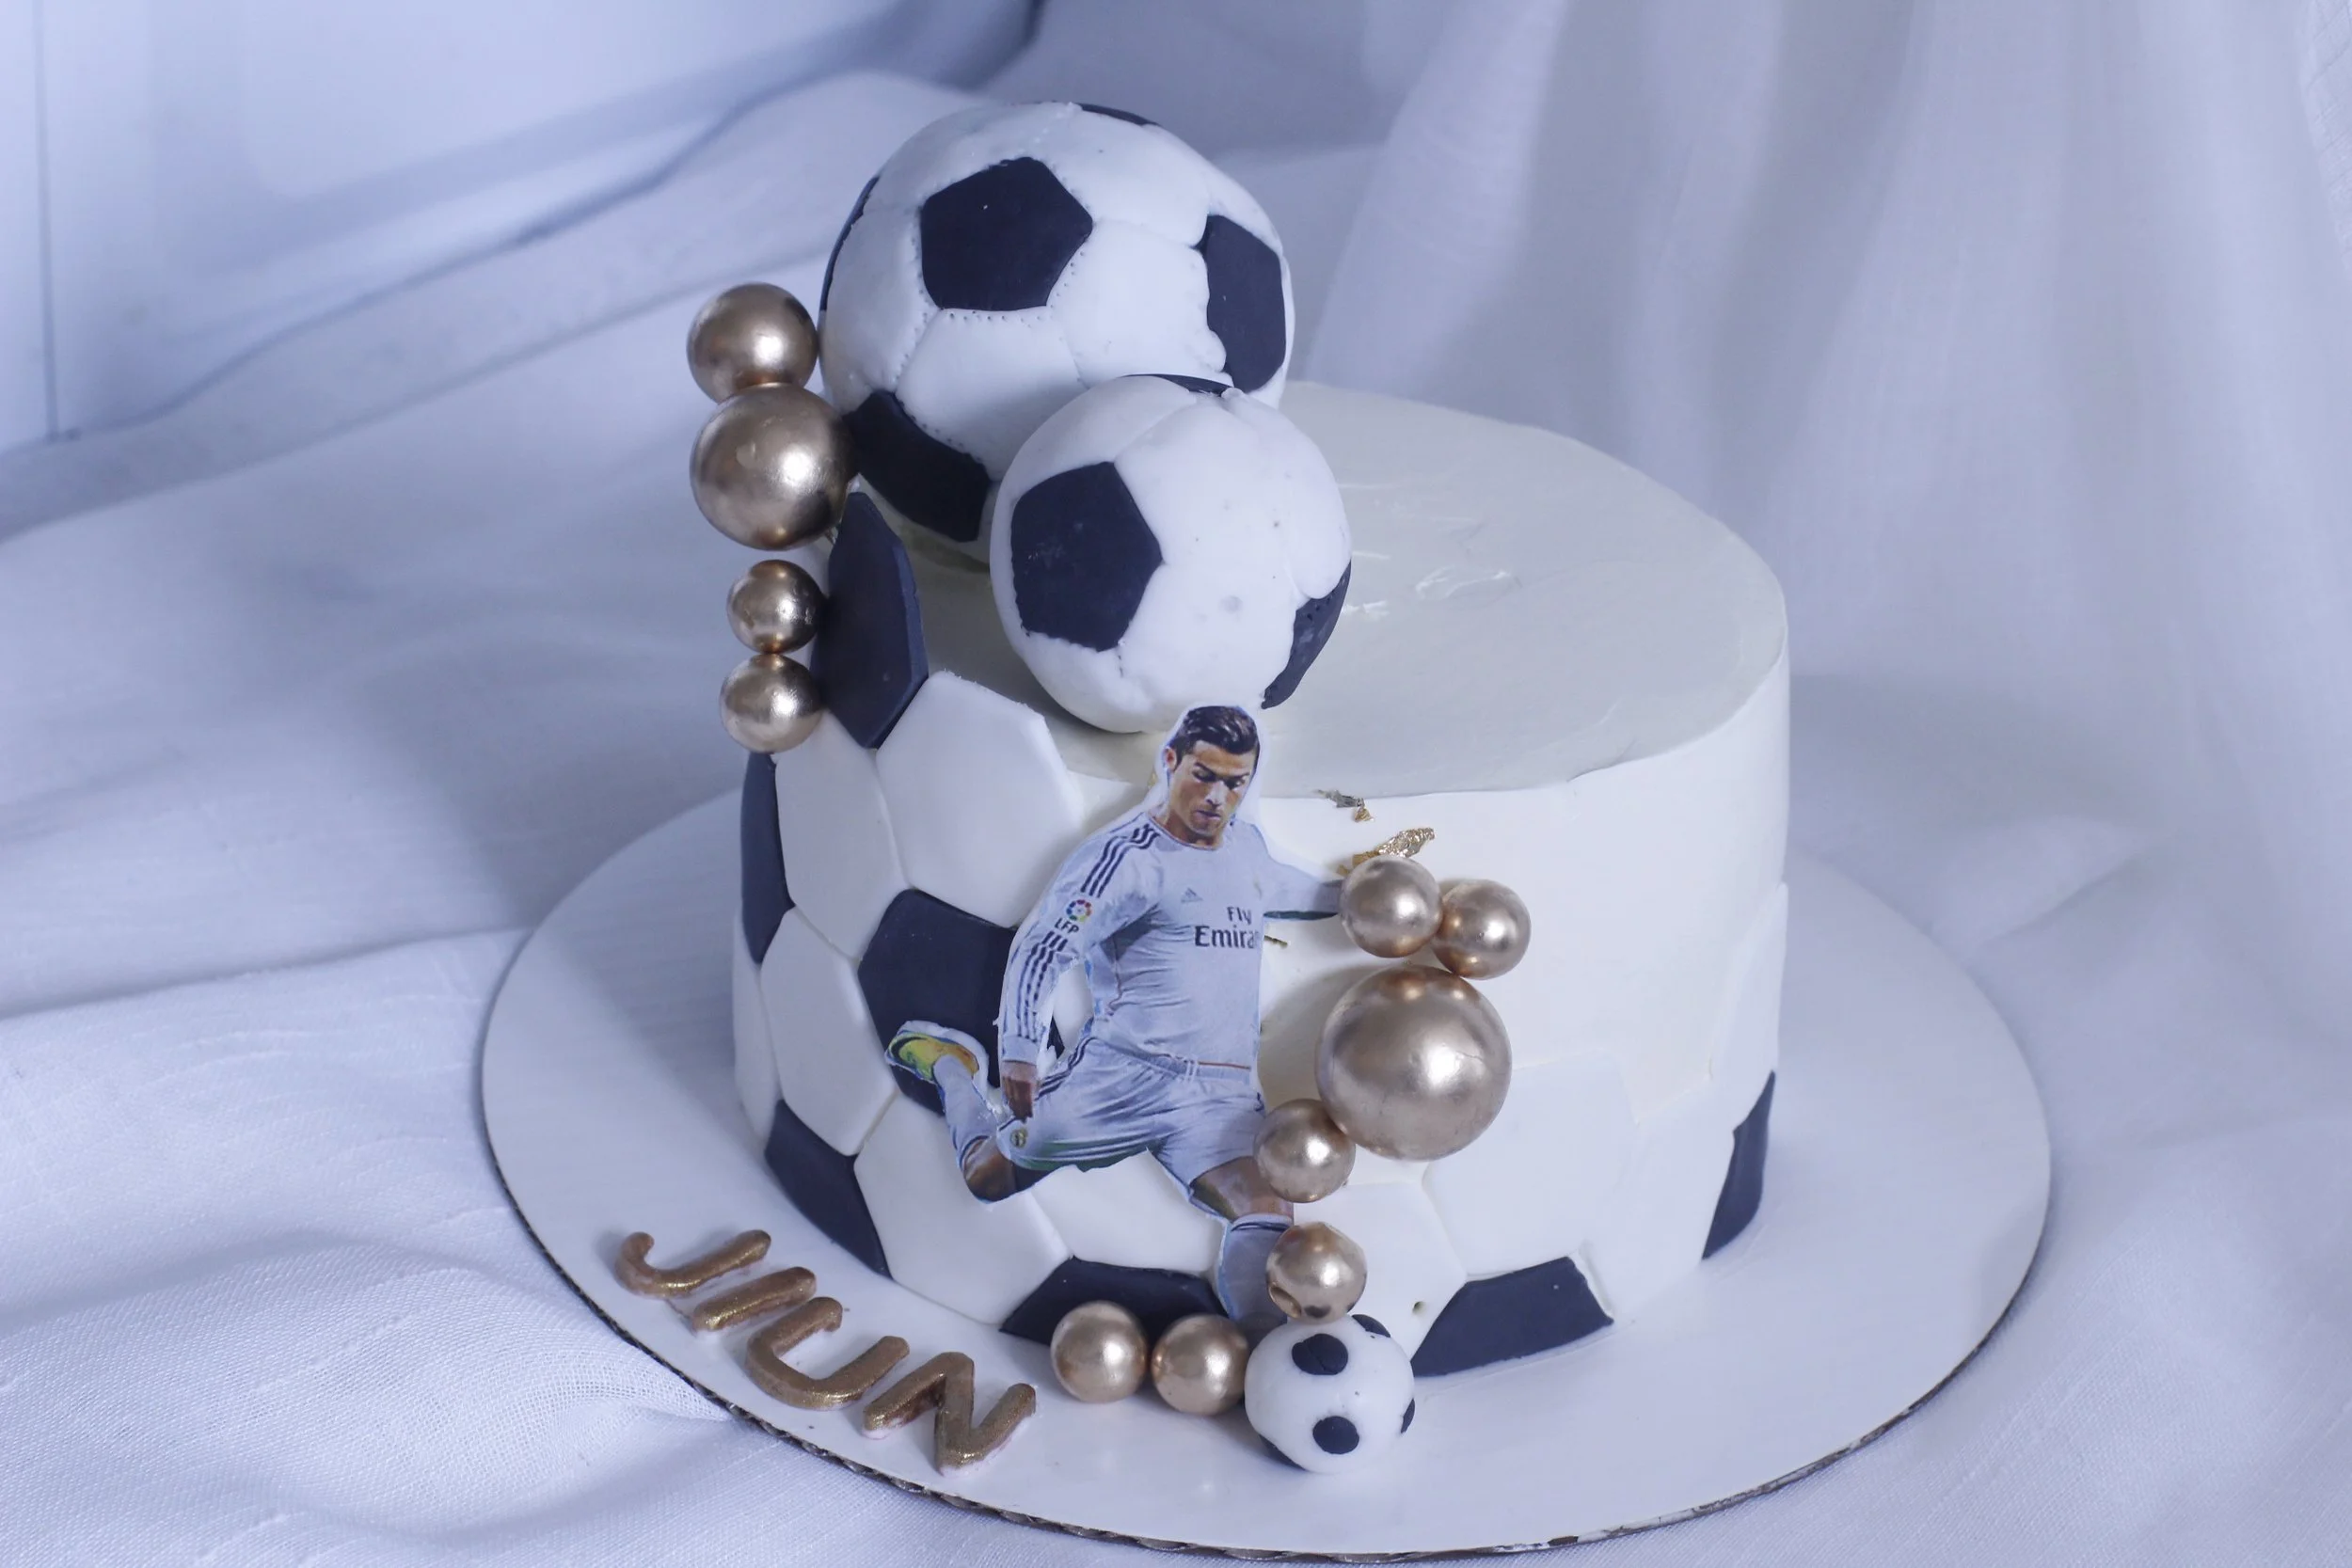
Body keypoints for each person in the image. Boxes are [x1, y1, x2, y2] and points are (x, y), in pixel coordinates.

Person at [884, 704, 1338, 1331]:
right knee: (988, 1178)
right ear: (1171, 761)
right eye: (1204, 774)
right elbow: (1047, 942)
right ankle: (955, 1071)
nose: (1216, 796)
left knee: (1264, 1211)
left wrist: (1363, 895)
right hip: (1122, 1078)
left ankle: (1263, 1351)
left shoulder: (1246, 850)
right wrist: (1017, 1049)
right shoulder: (1125, 858)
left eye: (1235, 781)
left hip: (1218, 1095)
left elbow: (1288, 890)